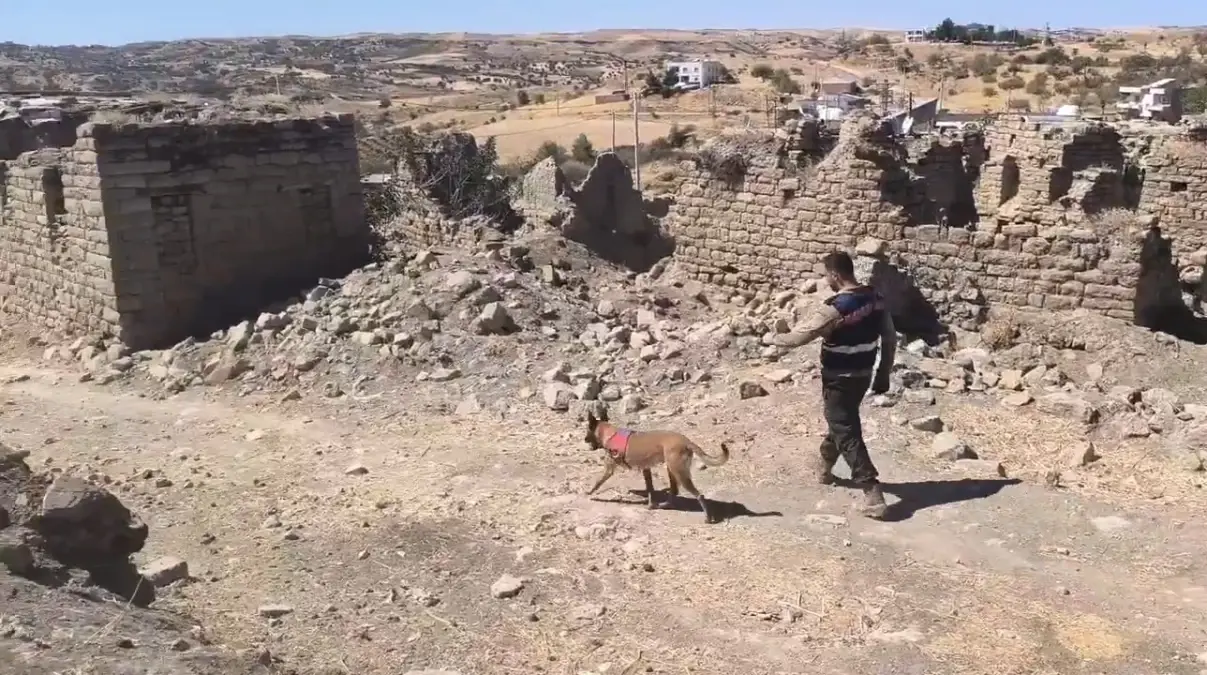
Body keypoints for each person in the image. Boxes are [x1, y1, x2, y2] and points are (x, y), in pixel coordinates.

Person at [792, 251, 896, 519]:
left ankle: (872, 493)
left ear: (835, 275)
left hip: (838, 377)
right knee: (841, 421)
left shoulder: (835, 307)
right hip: (862, 375)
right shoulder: (875, 298)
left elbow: (800, 337)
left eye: (826, 275)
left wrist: (771, 339)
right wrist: (883, 372)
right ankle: (825, 465)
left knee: (846, 428)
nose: (826, 279)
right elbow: (889, 337)